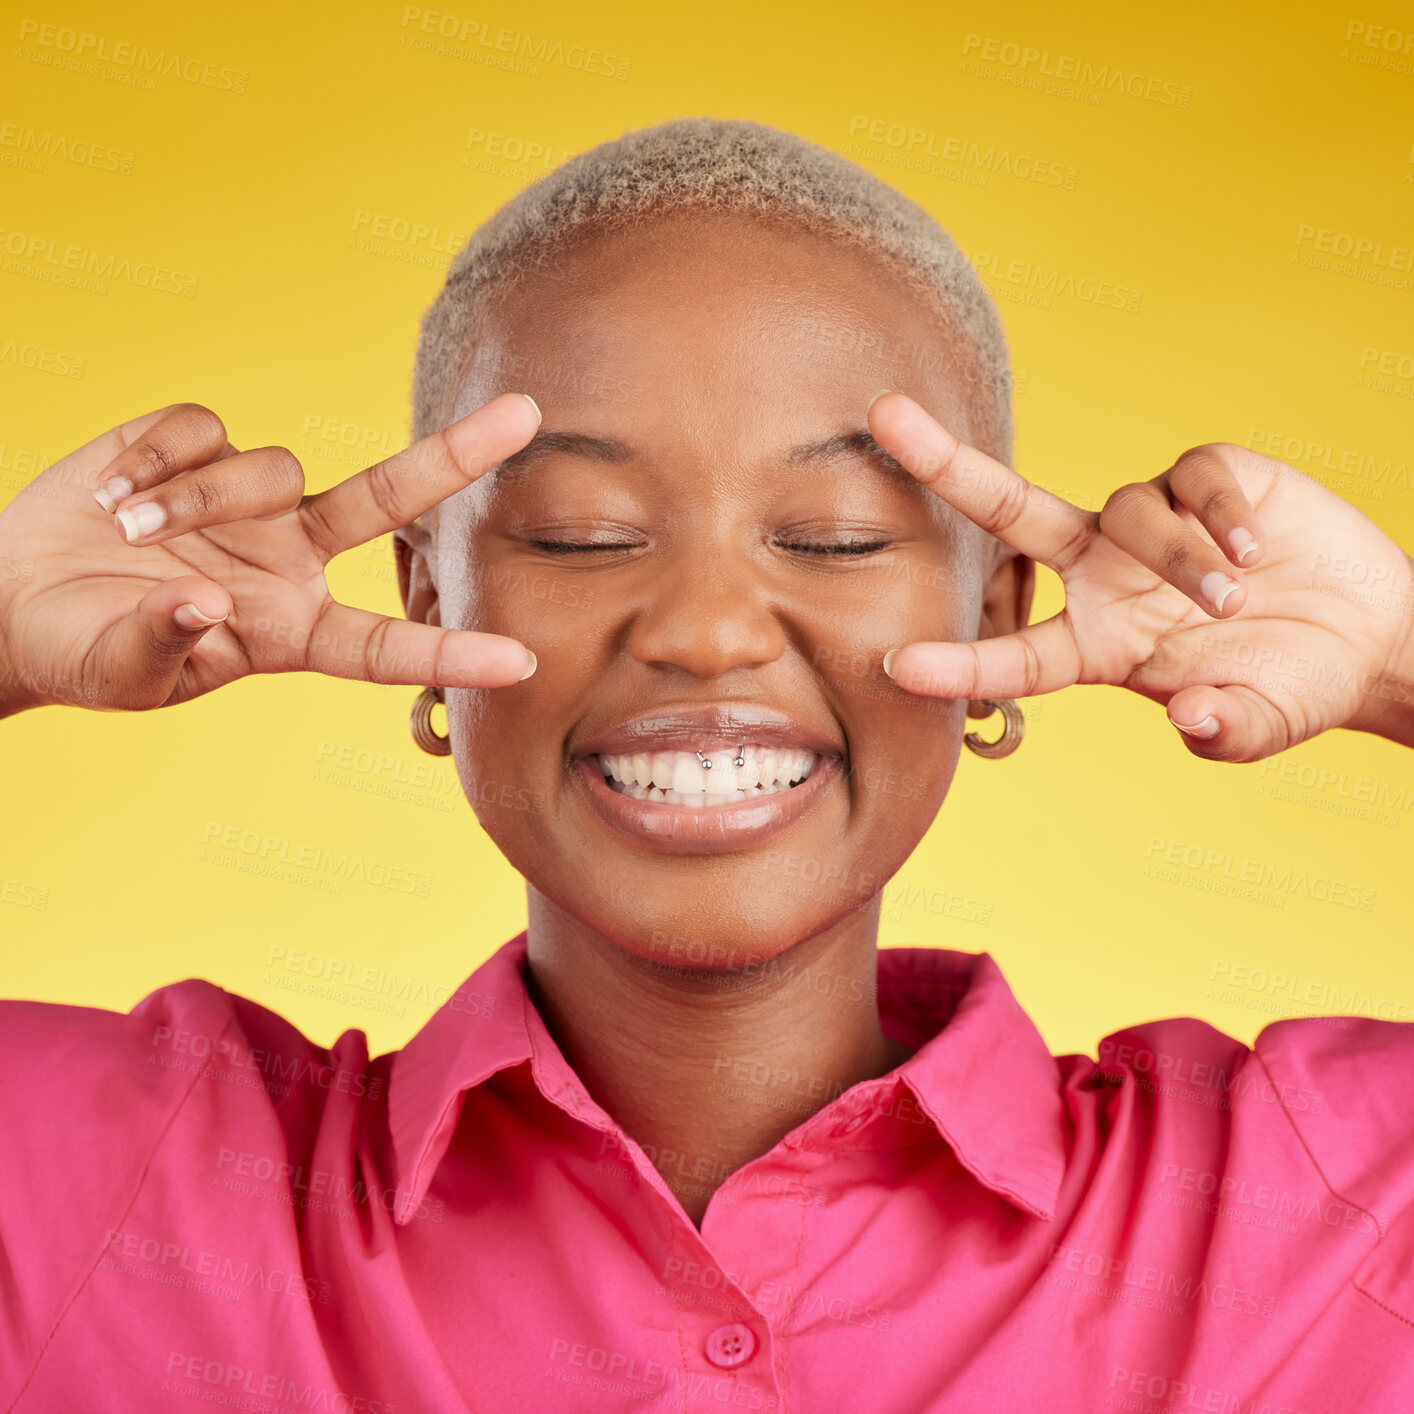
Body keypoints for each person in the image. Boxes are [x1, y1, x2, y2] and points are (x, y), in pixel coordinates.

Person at [1, 116, 1411, 1412]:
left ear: (999, 611)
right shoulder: (127, 1192)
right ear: (426, 599)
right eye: (579, 532)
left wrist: (1392, 652)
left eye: (840, 536)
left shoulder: (1300, 1211)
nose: (703, 630)